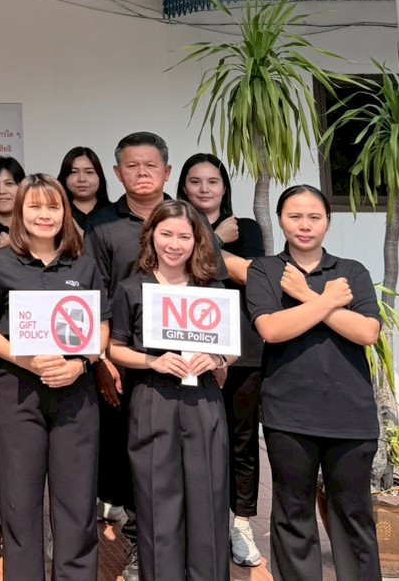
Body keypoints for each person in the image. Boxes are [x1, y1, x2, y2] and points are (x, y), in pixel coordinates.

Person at [85, 132, 245, 557]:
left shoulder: (197, 232)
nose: (174, 244)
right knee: (146, 477)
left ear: (167, 172)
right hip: (143, 378)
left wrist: (220, 359)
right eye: (132, 166)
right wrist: (108, 358)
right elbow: (96, 295)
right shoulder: (101, 226)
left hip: (200, 391)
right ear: (118, 172)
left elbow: (227, 332)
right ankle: (144, 549)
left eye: (150, 165)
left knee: (203, 484)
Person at [246, 185, 381, 581]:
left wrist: (305, 296)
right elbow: (271, 329)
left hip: (351, 413)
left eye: (314, 217)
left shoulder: (351, 271)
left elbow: (367, 331)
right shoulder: (266, 270)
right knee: (293, 513)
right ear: (280, 219)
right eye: (294, 216)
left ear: (327, 221)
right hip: (288, 413)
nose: (304, 226)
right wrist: (324, 301)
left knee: (354, 513)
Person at [0, 175, 103, 581]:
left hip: (76, 395)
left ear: (64, 213)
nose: (44, 215)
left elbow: (102, 328)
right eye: (35, 207)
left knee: (77, 504)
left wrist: (79, 364)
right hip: (17, 393)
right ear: (19, 213)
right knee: (19, 504)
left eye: (53, 207)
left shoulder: (85, 264)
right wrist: (27, 361)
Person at [108, 200, 235, 581]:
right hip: (152, 397)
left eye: (184, 236)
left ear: (198, 240)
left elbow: (229, 348)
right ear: (152, 237)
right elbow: (114, 348)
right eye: (166, 234)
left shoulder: (211, 289)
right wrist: (152, 361)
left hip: (203, 400)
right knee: (155, 500)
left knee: (208, 499)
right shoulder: (132, 288)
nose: (174, 244)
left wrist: (217, 359)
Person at [177, 152, 266, 568]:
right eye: (195, 182)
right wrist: (213, 236)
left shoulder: (245, 228)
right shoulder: (174, 229)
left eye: (213, 181)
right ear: (183, 187)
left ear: (224, 187)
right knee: (190, 440)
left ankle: (241, 523)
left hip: (240, 350)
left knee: (242, 439)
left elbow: (249, 273)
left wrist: (211, 242)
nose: (204, 189)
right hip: (184, 348)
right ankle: (196, 523)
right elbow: (178, 268)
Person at [57, 147, 113, 228]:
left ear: (99, 177)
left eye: (89, 172)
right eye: (74, 172)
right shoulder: (57, 214)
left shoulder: (115, 214)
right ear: (64, 177)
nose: (82, 179)